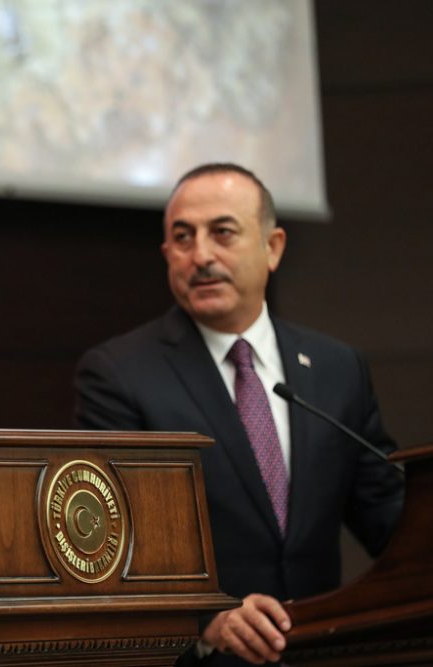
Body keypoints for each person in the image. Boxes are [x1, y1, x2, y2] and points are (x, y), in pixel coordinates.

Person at [74, 163, 403, 666]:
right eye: (183, 238)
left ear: (273, 248)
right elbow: (110, 552)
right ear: (166, 255)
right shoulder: (120, 375)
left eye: (222, 233)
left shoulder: (337, 368)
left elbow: (391, 515)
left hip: (322, 653)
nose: (201, 255)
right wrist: (208, 623)